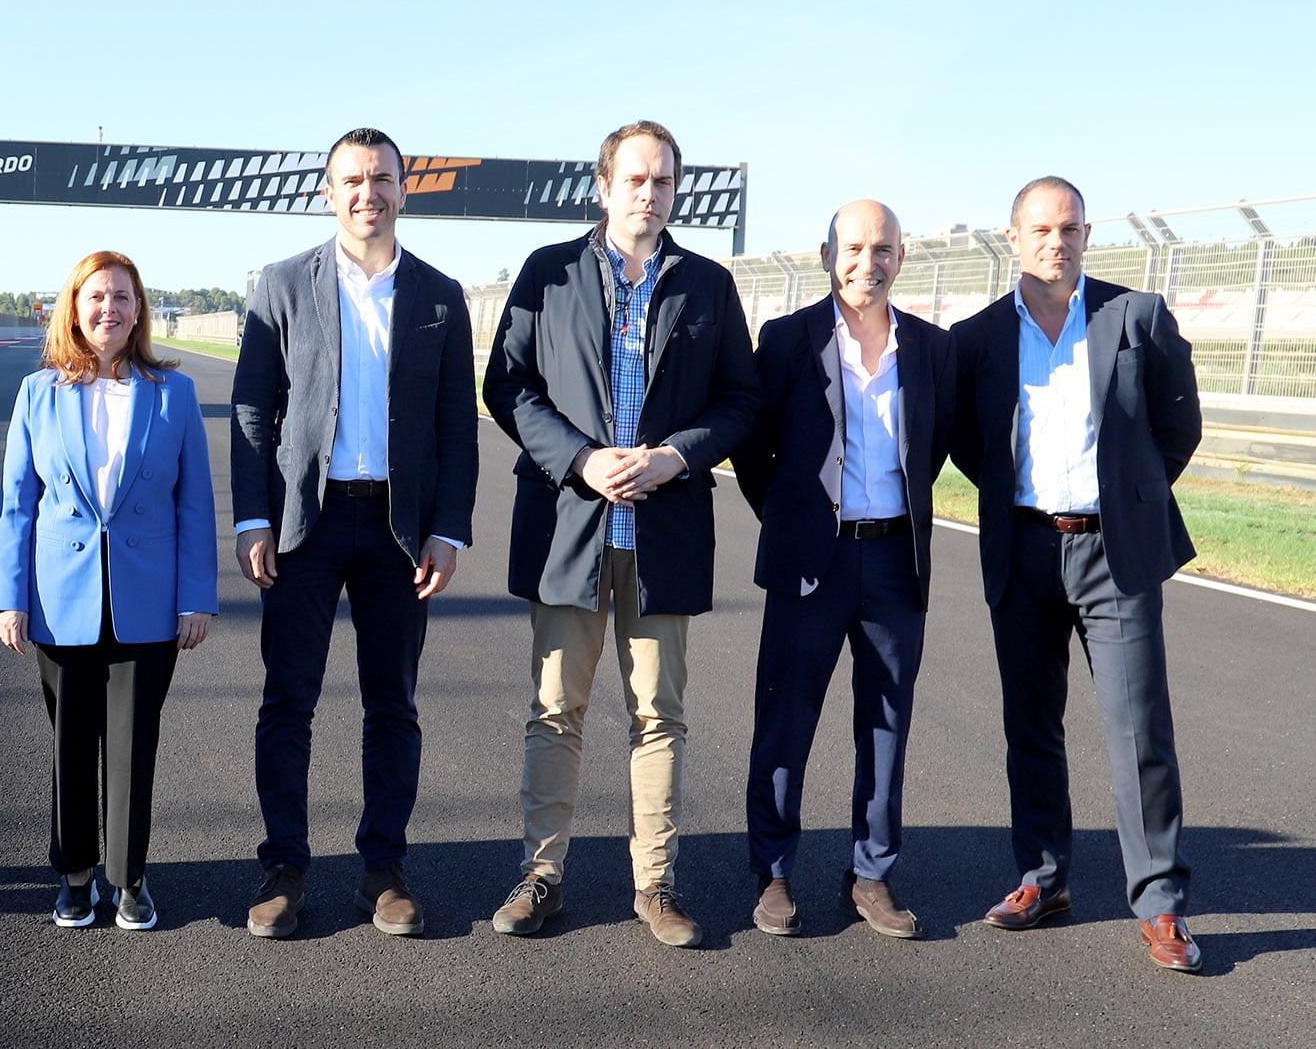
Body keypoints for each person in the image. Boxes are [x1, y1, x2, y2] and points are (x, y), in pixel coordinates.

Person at [482, 119, 758, 948]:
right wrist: (580, 459)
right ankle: (540, 874)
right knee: (555, 707)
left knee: (658, 713)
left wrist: (676, 456)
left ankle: (656, 883)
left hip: (664, 530)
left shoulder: (706, 283)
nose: (650, 193)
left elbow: (741, 401)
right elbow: (509, 385)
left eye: (664, 181)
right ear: (602, 187)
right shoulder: (548, 273)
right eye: (635, 179)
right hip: (571, 522)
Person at [950, 176, 1205, 972]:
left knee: (1139, 730)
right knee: (1030, 726)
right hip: (1024, 547)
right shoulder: (978, 335)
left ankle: (1160, 904)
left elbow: (1177, 423)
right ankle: (1041, 877)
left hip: (1113, 551)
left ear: (1087, 235)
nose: (1054, 242)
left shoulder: (1136, 316)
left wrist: (1131, 495)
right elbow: (969, 441)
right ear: (1013, 237)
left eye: (1068, 228)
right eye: (1040, 229)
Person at [232, 128, 478, 940]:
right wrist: (256, 515)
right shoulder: (279, 284)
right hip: (307, 521)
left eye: (381, 178)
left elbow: (455, 425)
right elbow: (253, 408)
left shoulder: (441, 294)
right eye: (351, 179)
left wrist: (447, 529)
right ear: (328, 192)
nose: (366, 191)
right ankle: (284, 867)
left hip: (398, 531)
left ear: (404, 189)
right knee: (287, 702)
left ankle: (384, 866)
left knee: (393, 704)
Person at [733, 200, 955, 940]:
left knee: (886, 725)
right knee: (786, 719)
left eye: (883, 247)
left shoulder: (930, 347)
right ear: (828, 251)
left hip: (895, 560)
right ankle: (771, 869)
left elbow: (938, 443)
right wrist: (795, 517)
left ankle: (871, 873)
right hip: (811, 561)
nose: (869, 261)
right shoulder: (789, 338)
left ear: (903, 253)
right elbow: (754, 450)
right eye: (854, 247)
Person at [0, 250, 217, 931]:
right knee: (71, 742)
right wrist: (11, 595)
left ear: (139, 309)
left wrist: (196, 595)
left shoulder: (172, 393)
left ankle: (129, 878)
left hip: (148, 599)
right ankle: (77, 874)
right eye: (97, 296)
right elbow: (16, 505)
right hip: (60, 599)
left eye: (122, 296)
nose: (109, 308)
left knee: (132, 741)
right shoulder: (39, 392)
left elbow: (196, 502)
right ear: (75, 306)